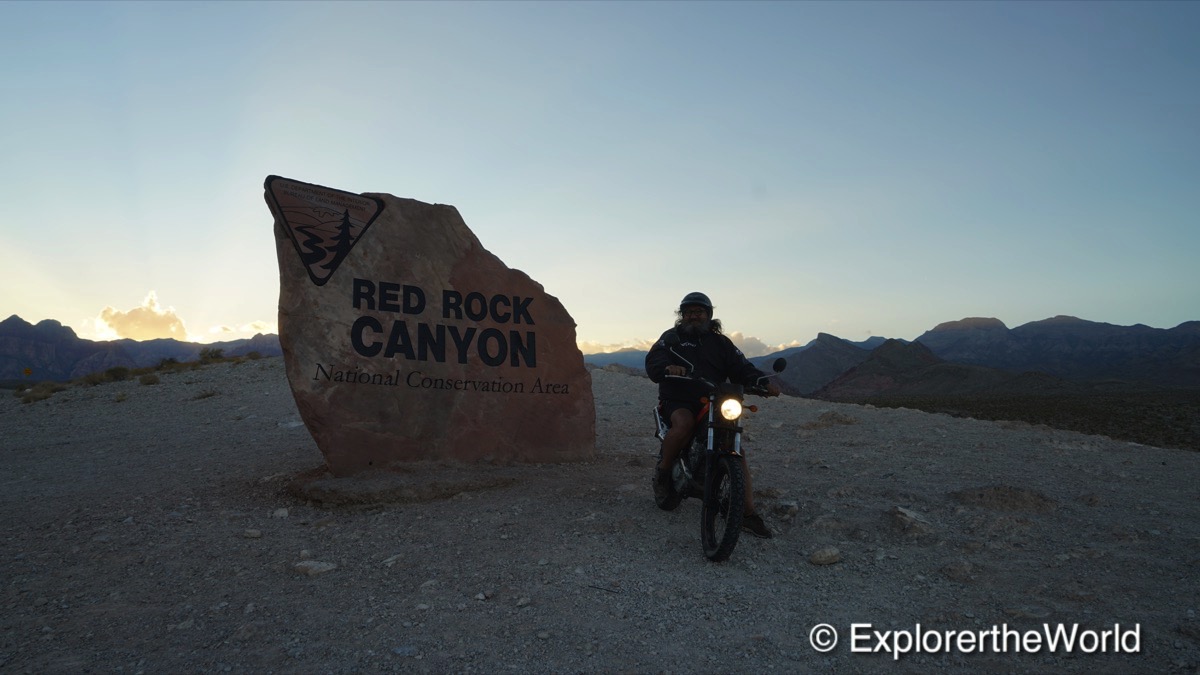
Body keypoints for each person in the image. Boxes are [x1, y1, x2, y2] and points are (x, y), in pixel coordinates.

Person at [644, 291, 782, 538]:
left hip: (714, 399)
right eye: (688, 312)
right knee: (684, 424)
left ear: (708, 315)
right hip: (679, 398)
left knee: (736, 449)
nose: (693, 316)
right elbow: (655, 359)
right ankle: (663, 473)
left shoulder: (721, 343)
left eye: (698, 311)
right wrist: (667, 367)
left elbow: (741, 367)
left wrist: (761, 381)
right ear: (682, 315)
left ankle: (746, 513)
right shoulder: (672, 338)